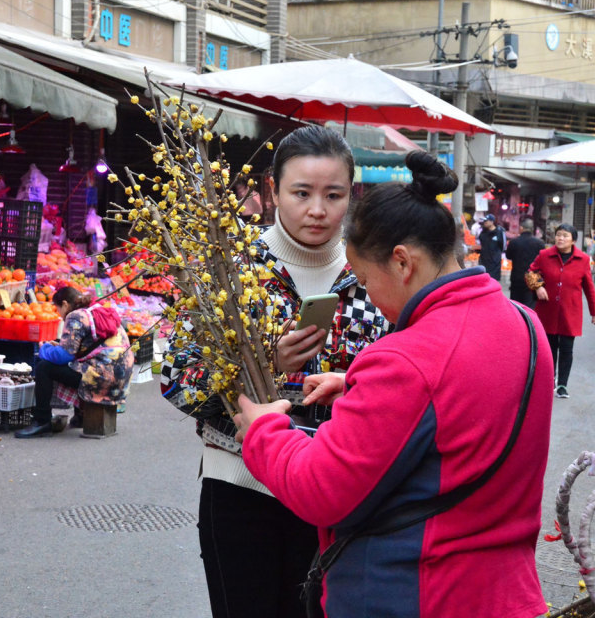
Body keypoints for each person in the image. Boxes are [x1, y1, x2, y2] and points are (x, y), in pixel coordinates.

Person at [234, 151, 555, 618]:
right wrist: (361, 385)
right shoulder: (525, 326)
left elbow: (320, 490)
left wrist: (264, 431)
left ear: (402, 263)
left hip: (415, 593)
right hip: (505, 593)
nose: (371, 296)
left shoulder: (407, 358)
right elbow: (463, 399)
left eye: (365, 279)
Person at [160, 125, 389, 618]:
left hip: (337, 489)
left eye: (334, 195)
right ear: (271, 190)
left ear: (353, 194)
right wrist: (266, 365)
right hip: (242, 486)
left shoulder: (373, 273)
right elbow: (176, 378)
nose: (318, 210)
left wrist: (352, 383)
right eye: (301, 193)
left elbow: (402, 377)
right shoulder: (228, 267)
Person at [15, 287, 135, 438]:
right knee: (79, 365)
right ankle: (81, 417)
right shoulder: (97, 308)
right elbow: (84, 347)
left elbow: (63, 356)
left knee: (44, 367)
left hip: (102, 378)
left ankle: (42, 421)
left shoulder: (76, 316)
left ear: (65, 304)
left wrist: (44, 349)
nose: (59, 314)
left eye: (58, 308)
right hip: (121, 377)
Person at [527, 223, 595, 399]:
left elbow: (589, 288)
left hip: (570, 313)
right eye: (558, 235)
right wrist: (537, 287)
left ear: (573, 240)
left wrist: (594, 312)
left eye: (565, 236)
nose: (560, 238)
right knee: (549, 349)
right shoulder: (545, 255)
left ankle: (562, 385)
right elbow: (530, 272)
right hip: (548, 311)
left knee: (567, 349)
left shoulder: (582, 260)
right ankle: (549, 381)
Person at [505, 218, 545, 309]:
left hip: (517, 277)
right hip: (533, 277)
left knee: (516, 304)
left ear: (521, 228)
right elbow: (543, 260)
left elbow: (508, 256)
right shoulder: (539, 243)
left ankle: (518, 322)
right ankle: (529, 322)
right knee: (530, 305)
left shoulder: (514, 242)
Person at [477, 213, 506, 281]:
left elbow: (503, 247)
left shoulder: (499, 232)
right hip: (484, 262)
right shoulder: (483, 233)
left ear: (492, 222)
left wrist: (496, 255)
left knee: (493, 282)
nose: (484, 223)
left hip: (494, 263)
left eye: (486, 221)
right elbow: (481, 244)